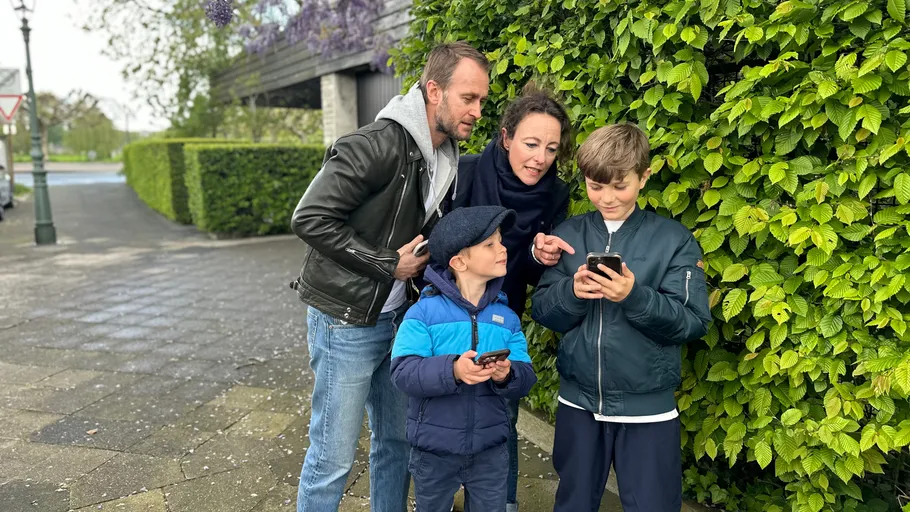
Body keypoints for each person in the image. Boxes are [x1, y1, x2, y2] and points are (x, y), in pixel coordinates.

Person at [289, 42, 490, 512]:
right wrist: (386, 264)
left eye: (482, 100)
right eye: (469, 98)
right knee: (332, 459)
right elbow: (310, 218)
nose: (478, 111)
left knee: (397, 446)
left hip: (399, 320)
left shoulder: (445, 156)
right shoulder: (375, 144)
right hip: (346, 323)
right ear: (434, 91)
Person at [531, 123, 712, 512]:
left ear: (644, 177)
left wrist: (634, 297)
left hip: (648, 409)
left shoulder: (673, 239)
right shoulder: (570, 234)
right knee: (573, 503)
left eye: (619, 186)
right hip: (578, 403)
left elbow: (693, 321)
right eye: (596, 186)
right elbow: (544, 310)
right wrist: (572, 293)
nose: (607, 197)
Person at [446, 85, 573, 512]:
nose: (540, 158)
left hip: (503, 320)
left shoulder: (556, 195)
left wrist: (541, 255)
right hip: (446, 318)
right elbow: (438, 246)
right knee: (441, 419)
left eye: (551, 148)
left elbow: (540, 274)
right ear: (506, 137)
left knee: (502, 421)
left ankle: (503, 504)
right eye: (531, 143)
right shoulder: (464, 172)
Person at [390, 205, 537, 512]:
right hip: (434, 450)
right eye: (489, 244)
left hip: (491, 450)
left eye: (500, 241)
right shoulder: (423, 314)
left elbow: (526, 376)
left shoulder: (506, 317)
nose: (502, 249)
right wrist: (453, 369)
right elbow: (403, 372)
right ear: (459, 261)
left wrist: (506, 375)